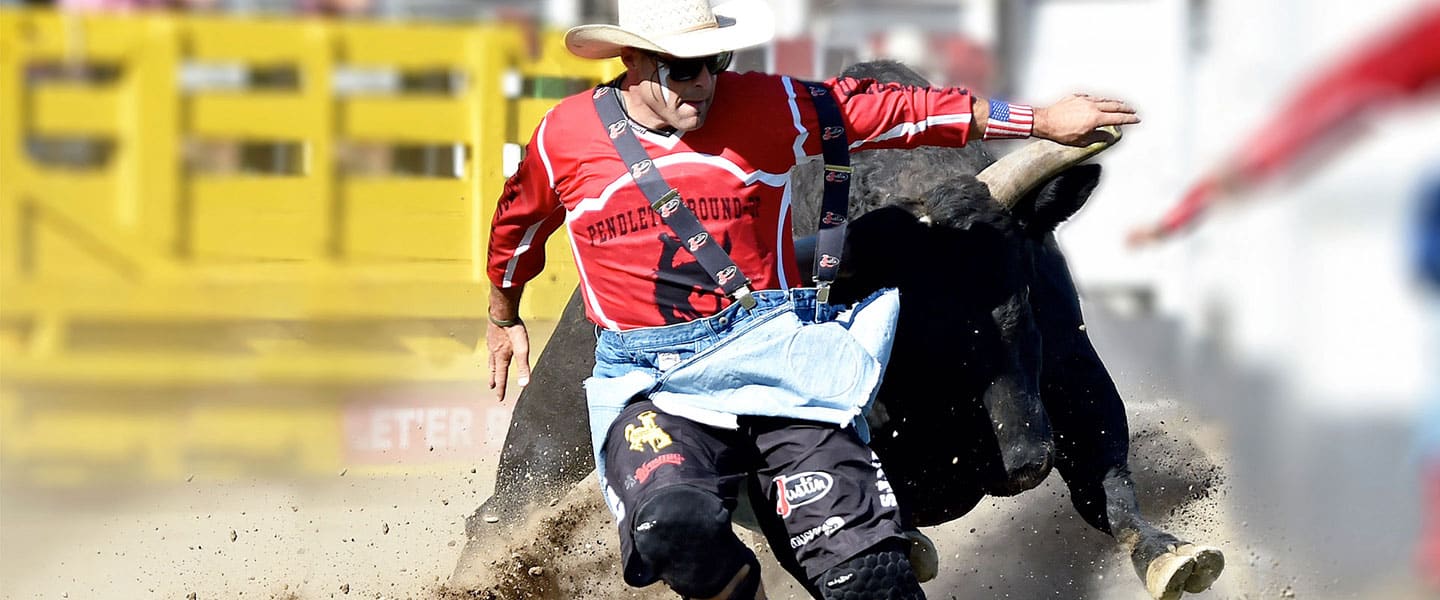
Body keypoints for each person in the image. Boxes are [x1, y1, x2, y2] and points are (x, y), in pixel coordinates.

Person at [483, 0, 1139, 597]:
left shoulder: (773, 107)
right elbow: (517, 226)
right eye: (682, 69)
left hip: (778, 363)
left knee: (867, 568)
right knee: (676, 524)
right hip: (654, 382)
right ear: (631, 62)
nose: (703, 82)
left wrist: (1043, 119)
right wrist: (502, 313)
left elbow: (900, 112)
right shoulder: (563, 138)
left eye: (713, 63)